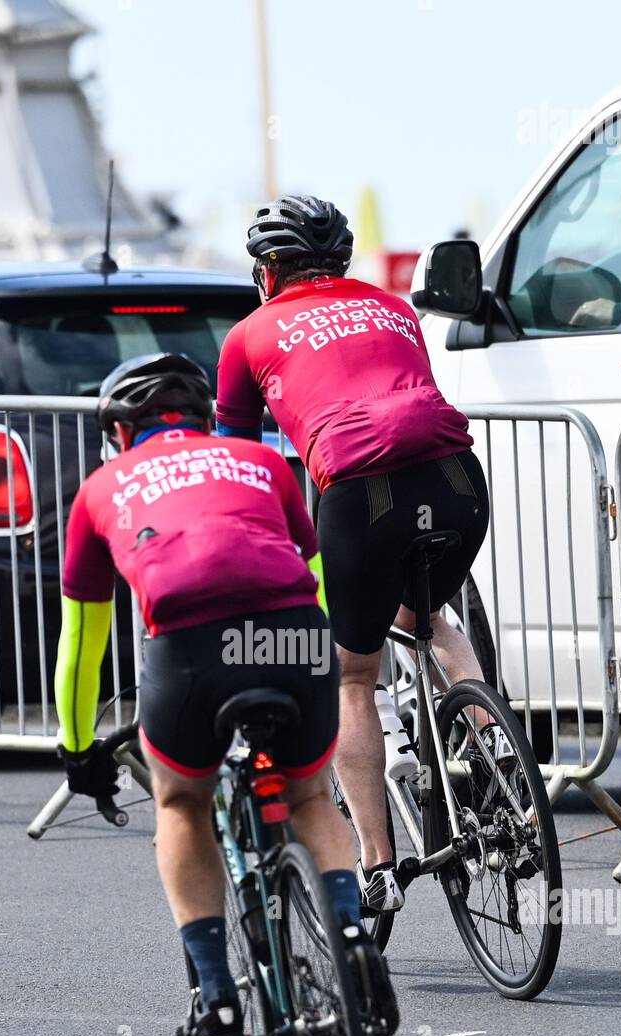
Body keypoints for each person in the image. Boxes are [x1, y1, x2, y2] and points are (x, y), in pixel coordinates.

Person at [53, 351, 398, 1036]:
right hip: (294, 632)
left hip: (190, 649)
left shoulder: (100, 489)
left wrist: (77, 747)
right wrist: (330, 657)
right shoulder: (260, 462)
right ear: (208, 418)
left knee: (180, 803)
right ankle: (352, 938)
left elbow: (80, 649)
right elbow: (319, 574)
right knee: (305, 799)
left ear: (120, 434)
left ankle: (214, 996)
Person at [216, 194, 502, 914]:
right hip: (460, 479)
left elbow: (240, 464)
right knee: (429, 619)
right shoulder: (391, 306)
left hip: (360, 493)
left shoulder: (249, 334)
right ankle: (494, 742)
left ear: (268, 271)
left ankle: (377, 862)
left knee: (350, 675)